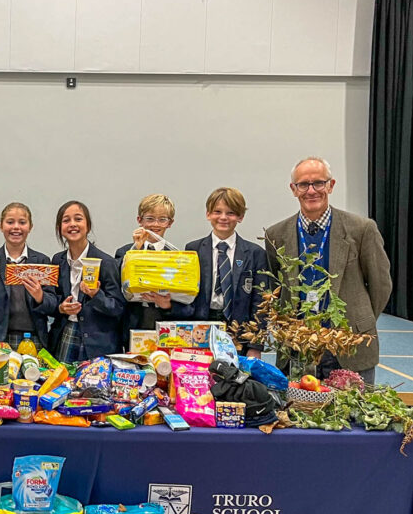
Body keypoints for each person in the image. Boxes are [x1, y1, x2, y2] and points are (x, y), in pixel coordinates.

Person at [264, 157, 392, 383]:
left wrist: (358, 318)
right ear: (293, 189)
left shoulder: (361, 229)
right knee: (297, 406)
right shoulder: (276, 235)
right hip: (297, 347)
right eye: (303, 184)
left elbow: (381, 285)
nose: (311, 190)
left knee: (353, 407)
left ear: (331, 185)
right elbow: (276, 287)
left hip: (348, 344)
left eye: (318, 183)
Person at [183, 187, 270, 357]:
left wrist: (255, 346)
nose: (223, 217)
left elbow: (261, 303)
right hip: (200, 331)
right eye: (217, 212)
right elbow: (187, 296)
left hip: (240, 335)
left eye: (230, 213)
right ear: (208, 214)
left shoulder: (255, 253)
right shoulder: (193, 250)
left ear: (240, 217)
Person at [49, 201, 125, 362]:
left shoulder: (105, 262)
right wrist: (61, 307)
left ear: (88, 226)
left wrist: (96, 295)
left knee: (94, 379)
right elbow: (53, 299)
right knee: (62, 378)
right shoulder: (57, 260)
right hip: (66, 333)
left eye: (78, 219)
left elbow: (118, 307)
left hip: (98, 341)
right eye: (66, 220)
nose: (72, 224)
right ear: (60, 228)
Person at [0, 202, 58, 350]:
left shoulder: (42, 261)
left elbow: (53, 306)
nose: (16, 227)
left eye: (22, 222)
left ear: (30, 227)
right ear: (1, 226)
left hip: (34, 337)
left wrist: (40, 296)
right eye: (10, 222)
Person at [114, 194, 183, 347]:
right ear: (140, 220)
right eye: (150, 219)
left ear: (170, 223)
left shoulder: (176, 256)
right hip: (132, 322)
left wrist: (167, 305)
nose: (155, 224)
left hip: (164, 323)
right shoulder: (125, 252)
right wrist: (136, 251)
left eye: (162, 219)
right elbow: (117, 282)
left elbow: (186, 303)